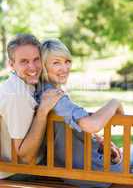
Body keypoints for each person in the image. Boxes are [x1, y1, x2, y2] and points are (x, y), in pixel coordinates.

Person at [38, 38, 133, 188]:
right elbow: (91, 125)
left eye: (67, 61)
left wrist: (99, 140)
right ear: (43, 66)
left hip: (74, 166)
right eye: (56, 63)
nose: (65, 68)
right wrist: (115, 102)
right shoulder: (54, 96)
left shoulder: (42, 92)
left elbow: (77, 128)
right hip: (89, 171)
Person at [0, 34, 64, 180]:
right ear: (11, 64)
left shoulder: (22, 85)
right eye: (24, 61)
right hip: (19, 173)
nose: (32, 67)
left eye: (36, 59)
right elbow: (26, 157)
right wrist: (42, 111)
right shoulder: (18, 96)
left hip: (23, 168)